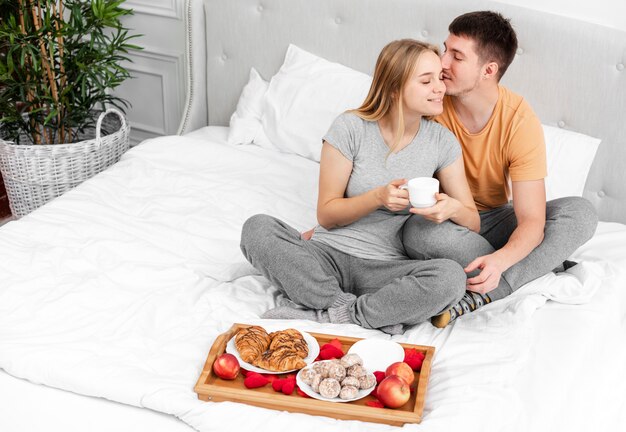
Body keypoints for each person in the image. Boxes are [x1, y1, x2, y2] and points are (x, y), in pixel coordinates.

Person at [240, 39, 478, 334]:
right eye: (426, 81)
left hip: (385, 270)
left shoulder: (442, 141)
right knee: (257, 228)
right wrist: (377, 198)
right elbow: (327, 214)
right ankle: (356, 308)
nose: (440, 88)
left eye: (439, 78)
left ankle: (332, 314)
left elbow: (473, 221)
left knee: (450, 278)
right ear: (393, 88)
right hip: (326, 256)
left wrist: (452, 207)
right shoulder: (350, 128)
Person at [401, 11, 598, 328]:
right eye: (445, 49)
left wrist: (501, 261)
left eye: (457, 56)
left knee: (581, 212)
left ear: (488, 70)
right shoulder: (431, 99)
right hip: (447, 219)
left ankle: (494, 287)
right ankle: (542, 264)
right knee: (417, 233)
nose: (442, 63)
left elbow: (532, 221)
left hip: (494, 217)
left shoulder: (518, 120)